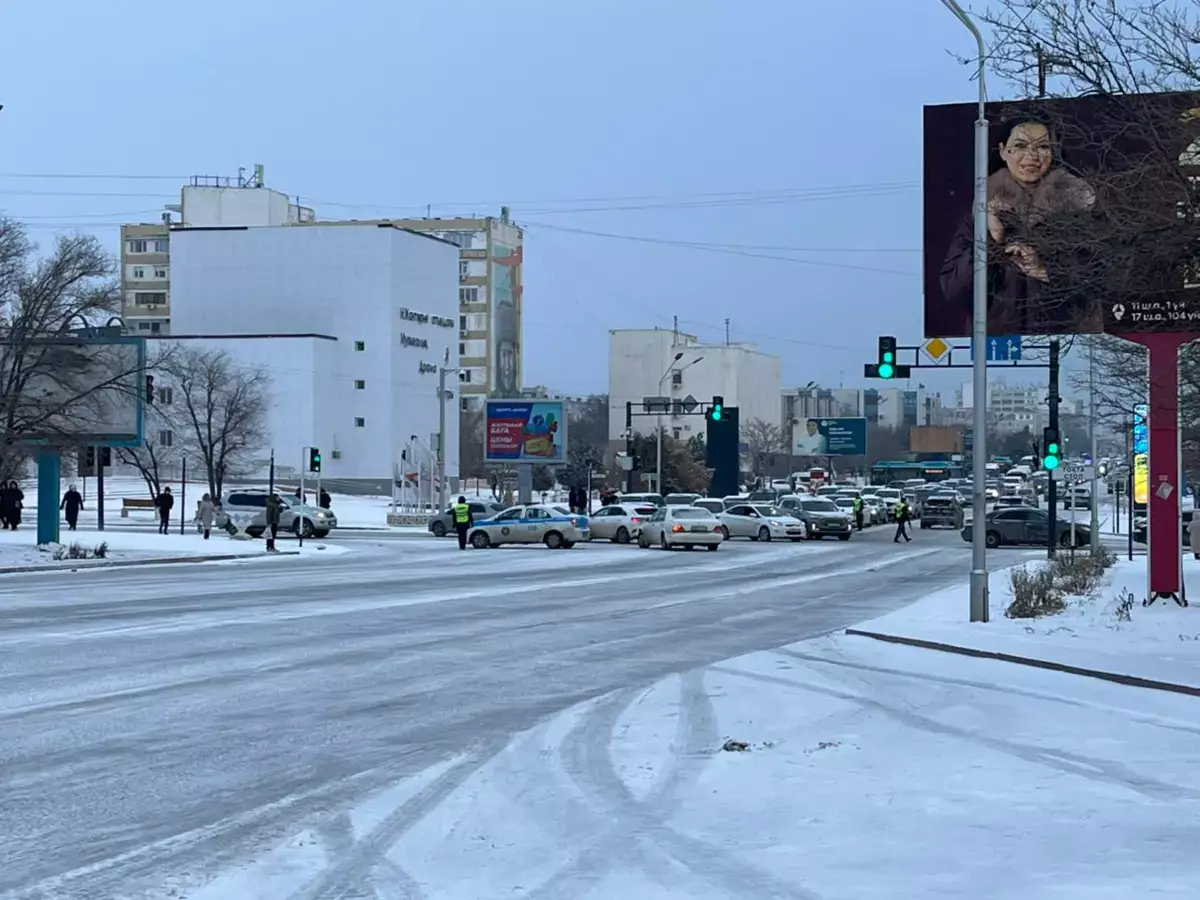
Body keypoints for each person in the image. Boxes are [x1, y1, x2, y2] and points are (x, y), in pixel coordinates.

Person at [939, 113, 1097, 334]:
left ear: (1052, 152)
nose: (1031, 156)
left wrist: (1043, 270)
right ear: (1003, 151)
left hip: (1066, 345)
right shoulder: (981, 212)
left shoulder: (1078, 209)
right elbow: (954, 290)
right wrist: (992, 238)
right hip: (994, 349)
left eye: (1042, 147)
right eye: (1020, 146)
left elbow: (1101, 281)